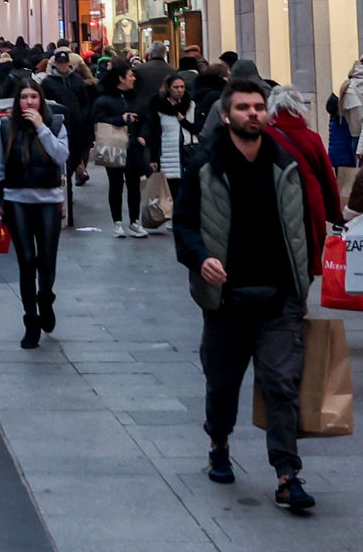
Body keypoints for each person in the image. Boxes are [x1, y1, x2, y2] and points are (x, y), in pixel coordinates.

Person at [173, 78, 315, 512]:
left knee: (280, 385)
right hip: (227, 300)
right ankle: (219, 442)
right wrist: (201, 260)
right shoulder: (205, 165)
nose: (253, 113)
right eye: (244, 108)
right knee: (223, 384)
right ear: (227, 115)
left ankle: (288, 474)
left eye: (258, 107)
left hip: (278, 299)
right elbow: (184, 225)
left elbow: (302, 223)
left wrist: (304, 275)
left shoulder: (283, 163)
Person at [0, 78, 70, 348]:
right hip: (16, 198)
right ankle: (31, 319)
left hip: (48, 198)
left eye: (33, 97)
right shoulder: (4, 127)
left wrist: (41, 127)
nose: (29, 102)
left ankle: (45, 298)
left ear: (41, 100)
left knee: (47, 259)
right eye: (24, 97)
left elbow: (61, 156)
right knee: (26, 260)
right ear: (17, 101)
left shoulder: (56, 123)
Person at [266, 85, 341, 272]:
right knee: (306, 256)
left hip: (275, 200)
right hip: (309, 202)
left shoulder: (264, 136)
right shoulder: (311, 137)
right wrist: (335, 214)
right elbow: (327, 178)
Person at [92, 63, 149, 238]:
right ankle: (117, 222)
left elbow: (145, 118)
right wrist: (121, 119)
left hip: (133, 146)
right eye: (130, 75)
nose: (133, 78)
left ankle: (134, 221)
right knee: (115, 184)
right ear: (120, 78)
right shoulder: (104, 99)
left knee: (134, 185)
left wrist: (142, 135)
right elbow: (98, 119)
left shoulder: (135, 97)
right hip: (114, 147)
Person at [141, 74, 203, 201]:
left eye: (182, 87)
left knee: (188, 191)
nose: (180, 90)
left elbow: (198, 129)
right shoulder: (159, 107)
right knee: (171, 192)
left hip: (188, 151)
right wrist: (153, 159)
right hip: (168, 153)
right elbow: (155, 133)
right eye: (176, 87)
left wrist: (183, 121)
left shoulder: (191, 105)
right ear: (169, 88)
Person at [41, 51, 93, 184]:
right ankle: (66, 185)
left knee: (76, 154)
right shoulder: (48, 82)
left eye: (65, 62)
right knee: (63, 157)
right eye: (60, 63)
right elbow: (45, 102)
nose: (63, 65)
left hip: (76, 124)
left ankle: (73, 176)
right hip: (59, 125)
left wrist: (83, 115)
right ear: (56, 64)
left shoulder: (76, 79)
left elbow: (85, 100)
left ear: (69, 63)